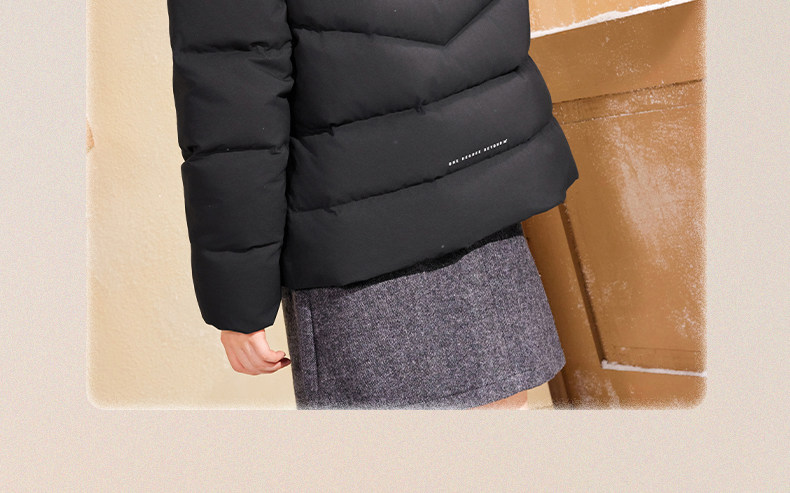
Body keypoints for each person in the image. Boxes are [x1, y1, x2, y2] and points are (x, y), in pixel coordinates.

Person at [166, 0, 579, 410]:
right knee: (499, 424)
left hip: (360, 245)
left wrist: (239, 302)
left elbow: (236, 109)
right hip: (484, 207)